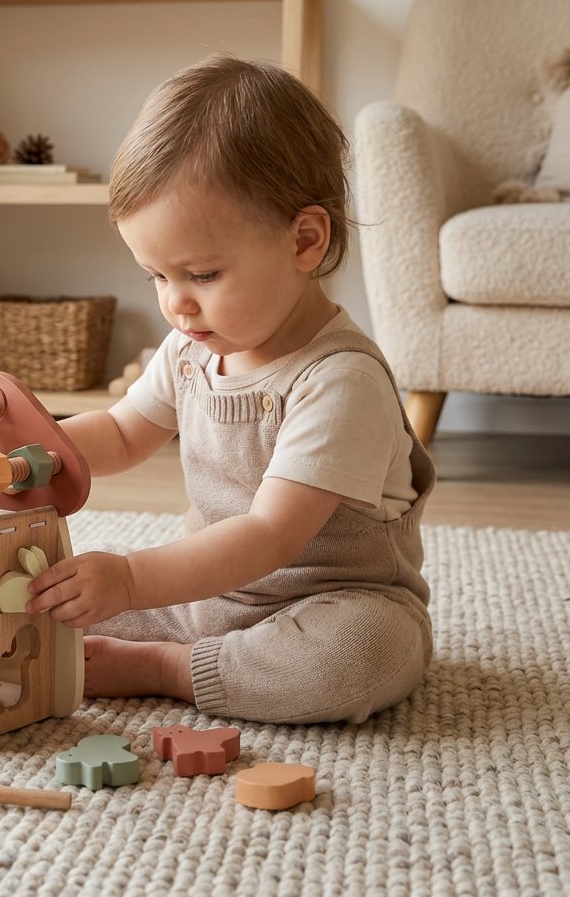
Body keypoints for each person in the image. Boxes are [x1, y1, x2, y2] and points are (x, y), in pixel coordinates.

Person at [25, 54, 435, 725]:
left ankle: (171, 669)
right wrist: (33, 445)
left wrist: (128, 579)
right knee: (50, 600)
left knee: (361, 657)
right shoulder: (192, 348)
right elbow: (125, 433)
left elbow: (271, 536)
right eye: (156, 276)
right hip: (206, 593)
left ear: (305, 240)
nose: (175, 306)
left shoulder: (339, 380)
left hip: (332, 604)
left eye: (202, 275)